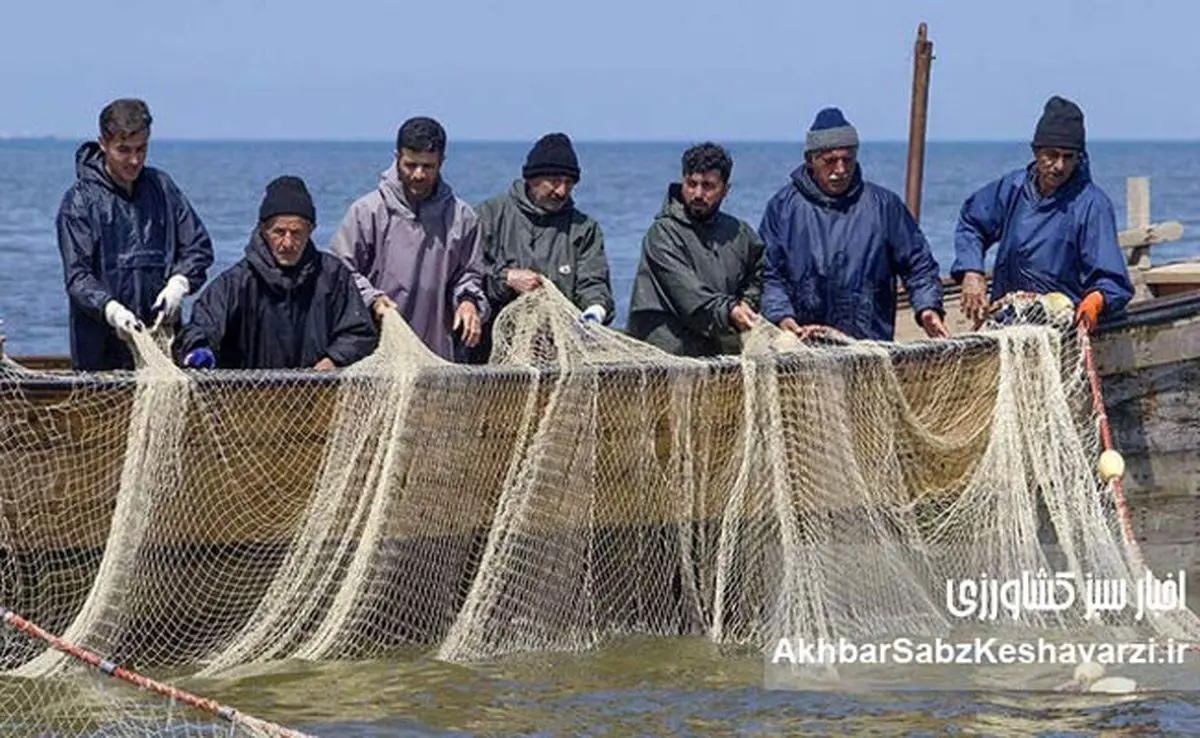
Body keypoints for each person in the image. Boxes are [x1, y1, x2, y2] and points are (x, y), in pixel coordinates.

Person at [758, 107, 948, 342]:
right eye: (830, 161)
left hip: (869, 347)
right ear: (811, 160)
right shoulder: (782, 208)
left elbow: (918, 264)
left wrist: (928, 308)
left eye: (847, 159)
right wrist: (781, 317)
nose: (840, 169)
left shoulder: (884, 206)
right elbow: (766, 273)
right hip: (801, 343)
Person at [951, 95, 1135, 331]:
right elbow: (972, 223)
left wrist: (1096, 300)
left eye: (1068, 157)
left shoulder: (1092, 205)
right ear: (1036, 152)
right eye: (1052, 155)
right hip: (1007, 320)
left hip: (1061, 328)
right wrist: (971, 271)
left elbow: (1112, 280)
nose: (1059, 166)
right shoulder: (1012, 189)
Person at [56, 98, 214, 370]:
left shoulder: (162, 188)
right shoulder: (80, 202)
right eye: (123, 150)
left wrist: (179, 283)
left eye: (141, 149)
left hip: (161, 344)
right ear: (103, 144)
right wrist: (111, 310)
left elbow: (198, 247)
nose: (134, 160)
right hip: (100, 354)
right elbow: (78, 277)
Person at [174, 176, 378, 370]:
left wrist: (334, 359)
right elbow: (201, 326)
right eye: (279, 232)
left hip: (320, 393)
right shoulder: (236, 283)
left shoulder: (334, 276)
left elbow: (360, 332)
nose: (288, 243)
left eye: (296, 233)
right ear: (263, 230)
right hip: (248, 397)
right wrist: (199, 350)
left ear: (311, 230)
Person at [329, 116, 488, 361]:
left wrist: (468, 301)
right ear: (397, 158)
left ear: (441, 162)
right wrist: (374, 300)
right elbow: (341, 273)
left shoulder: (463, 217)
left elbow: (470, 274)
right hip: (374, 354)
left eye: (428, 167)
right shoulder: (367, 211)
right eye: (410, 165)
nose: (418, 174)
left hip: (438, 356)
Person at [467, 132, 615, 362]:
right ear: (532, 178)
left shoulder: (584, 229)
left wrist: (595, 310)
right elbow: (463, 275)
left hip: (559, 354)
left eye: (569, 183)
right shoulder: (489, 216)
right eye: (555, 181)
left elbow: (594, 282)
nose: (562, 191)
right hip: (490, 351)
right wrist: (505, 278)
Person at [626, 142, 763, 357]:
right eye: (691, 184)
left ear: (726, 190)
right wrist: (730, 311)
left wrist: (748, 302)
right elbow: (689, 295)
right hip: (666, 357)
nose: (698, 194)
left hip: (721, 352)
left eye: (708, 186)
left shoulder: (740, 233)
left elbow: (761, 273)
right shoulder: (662, 234)